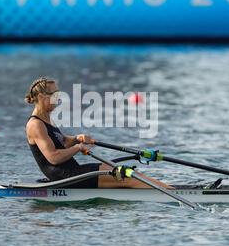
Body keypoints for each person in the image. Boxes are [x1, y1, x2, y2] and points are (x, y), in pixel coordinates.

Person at [25, 77, 170, 189]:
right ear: (41, 97)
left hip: (73, 171)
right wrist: (77, 148)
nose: (59, 98)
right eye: (55, 95)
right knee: (128, 176)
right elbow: (53, 158)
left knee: (126, 173)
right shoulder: (35, 125)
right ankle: (171, 192)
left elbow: (62, 142)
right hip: (64, 176)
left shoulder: (47, 119)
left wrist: (76, 139)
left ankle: (169, 189)